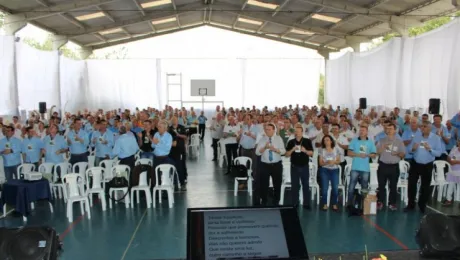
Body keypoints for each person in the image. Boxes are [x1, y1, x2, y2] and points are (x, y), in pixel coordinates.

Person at [406, 121, 442, 213]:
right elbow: (410, 150)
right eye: (421, 126)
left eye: (424, 126)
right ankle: (411, 205)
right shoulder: (417, 136)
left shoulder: (436, 138)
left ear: (430, 128)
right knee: (411, 184)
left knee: (425, 186)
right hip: (415, 163)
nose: (422, 128)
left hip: (427, 164)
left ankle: (422, 205)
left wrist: (430, 149)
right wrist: (413, 149)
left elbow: (439, 153)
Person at [376, 123, 405, 211]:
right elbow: (377, 152)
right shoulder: (381, 140)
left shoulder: (399, 141)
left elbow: (403, 154)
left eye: (391, 128)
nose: (388, 130)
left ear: (395, 130)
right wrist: (382, 148)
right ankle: (380, 202)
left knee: (393, 186)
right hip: (383, 165)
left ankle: (392, 203)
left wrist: (397, 153)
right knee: (381, 185)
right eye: (387, 128)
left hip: (394, 166)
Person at [347, 125, 377, 208]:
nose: (361, 132)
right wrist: (358, 154)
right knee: (351, 187)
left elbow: (374, 155)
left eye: (363, 130)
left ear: (367, 132)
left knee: (364, 188)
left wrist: (367, 155)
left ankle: (364, 205)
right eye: (360, 130)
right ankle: (349, 204)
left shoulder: (370, 142)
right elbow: (349, 153)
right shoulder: (354, 141)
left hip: (365, 168)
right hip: (355, 168)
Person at [255, 123, 285, 206]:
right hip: (265, 165)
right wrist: (264, 147)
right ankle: (264, 200)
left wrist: (275, 149)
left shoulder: (278, 139)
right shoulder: (262, 139)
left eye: (269, 129)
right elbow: (257, 153)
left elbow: (283, 151)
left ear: (274, 130)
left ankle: (276, 200)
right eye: (266, 129)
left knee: (277, 183)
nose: (267, 131)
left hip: (276, 165)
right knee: (264, 184)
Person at [285, 125, 313, 209]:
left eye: (299, 131)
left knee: (306, 185)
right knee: (295, 186)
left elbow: (311, 153)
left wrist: (305, 151)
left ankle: (306, 204)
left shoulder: (307, 141)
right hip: (294, 166)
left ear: (302, 132)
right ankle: (294, 203)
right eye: (296, 131)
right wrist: (292, 150)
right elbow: (286, 155)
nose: (297, 133)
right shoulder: (291, 142)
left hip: (304, 166)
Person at [318, 135, 341, 211]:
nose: (326, 142)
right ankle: (324, 204)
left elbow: (338, 161)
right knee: (324, 188)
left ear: (331, 141)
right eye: (324, 140)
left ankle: (334, 203)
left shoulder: (336, 149)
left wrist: (333, 162)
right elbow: (320, 163)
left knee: (335, 188)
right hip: (324, 170)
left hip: (334, 170)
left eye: (327, 140)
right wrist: (327, 163)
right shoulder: (321, 150)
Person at [443, 139, 460, 206]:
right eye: (459, 142)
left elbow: (455, 161)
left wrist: (456, 162)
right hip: (452, 170)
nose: (459, 143)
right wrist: (450, 161)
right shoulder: (454, 148)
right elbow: (448, 157)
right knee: (450, 185)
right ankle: (448, 199)